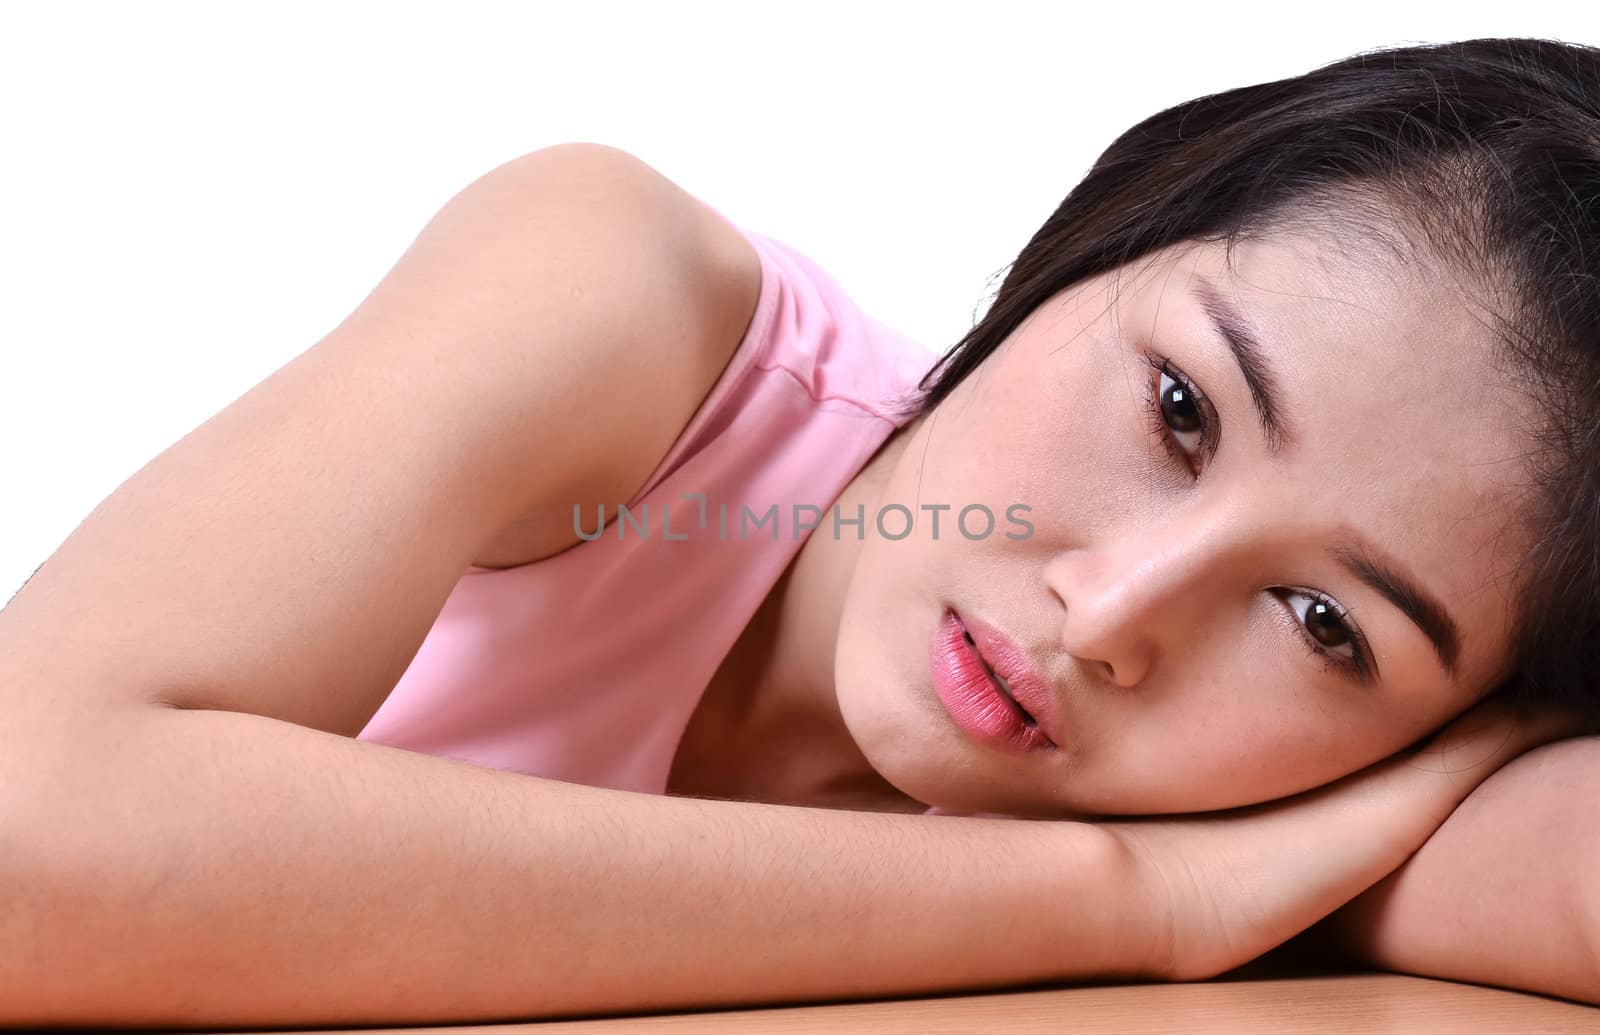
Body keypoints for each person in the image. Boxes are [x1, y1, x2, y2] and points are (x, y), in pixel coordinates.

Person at [1, 36, 1596, 1028]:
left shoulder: (1295, 799)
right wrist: (1124, 901)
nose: (1112, 615)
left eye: (1329, 627)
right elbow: (31, 841)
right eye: (1180, 408)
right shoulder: (626, 301)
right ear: (1105, 237)